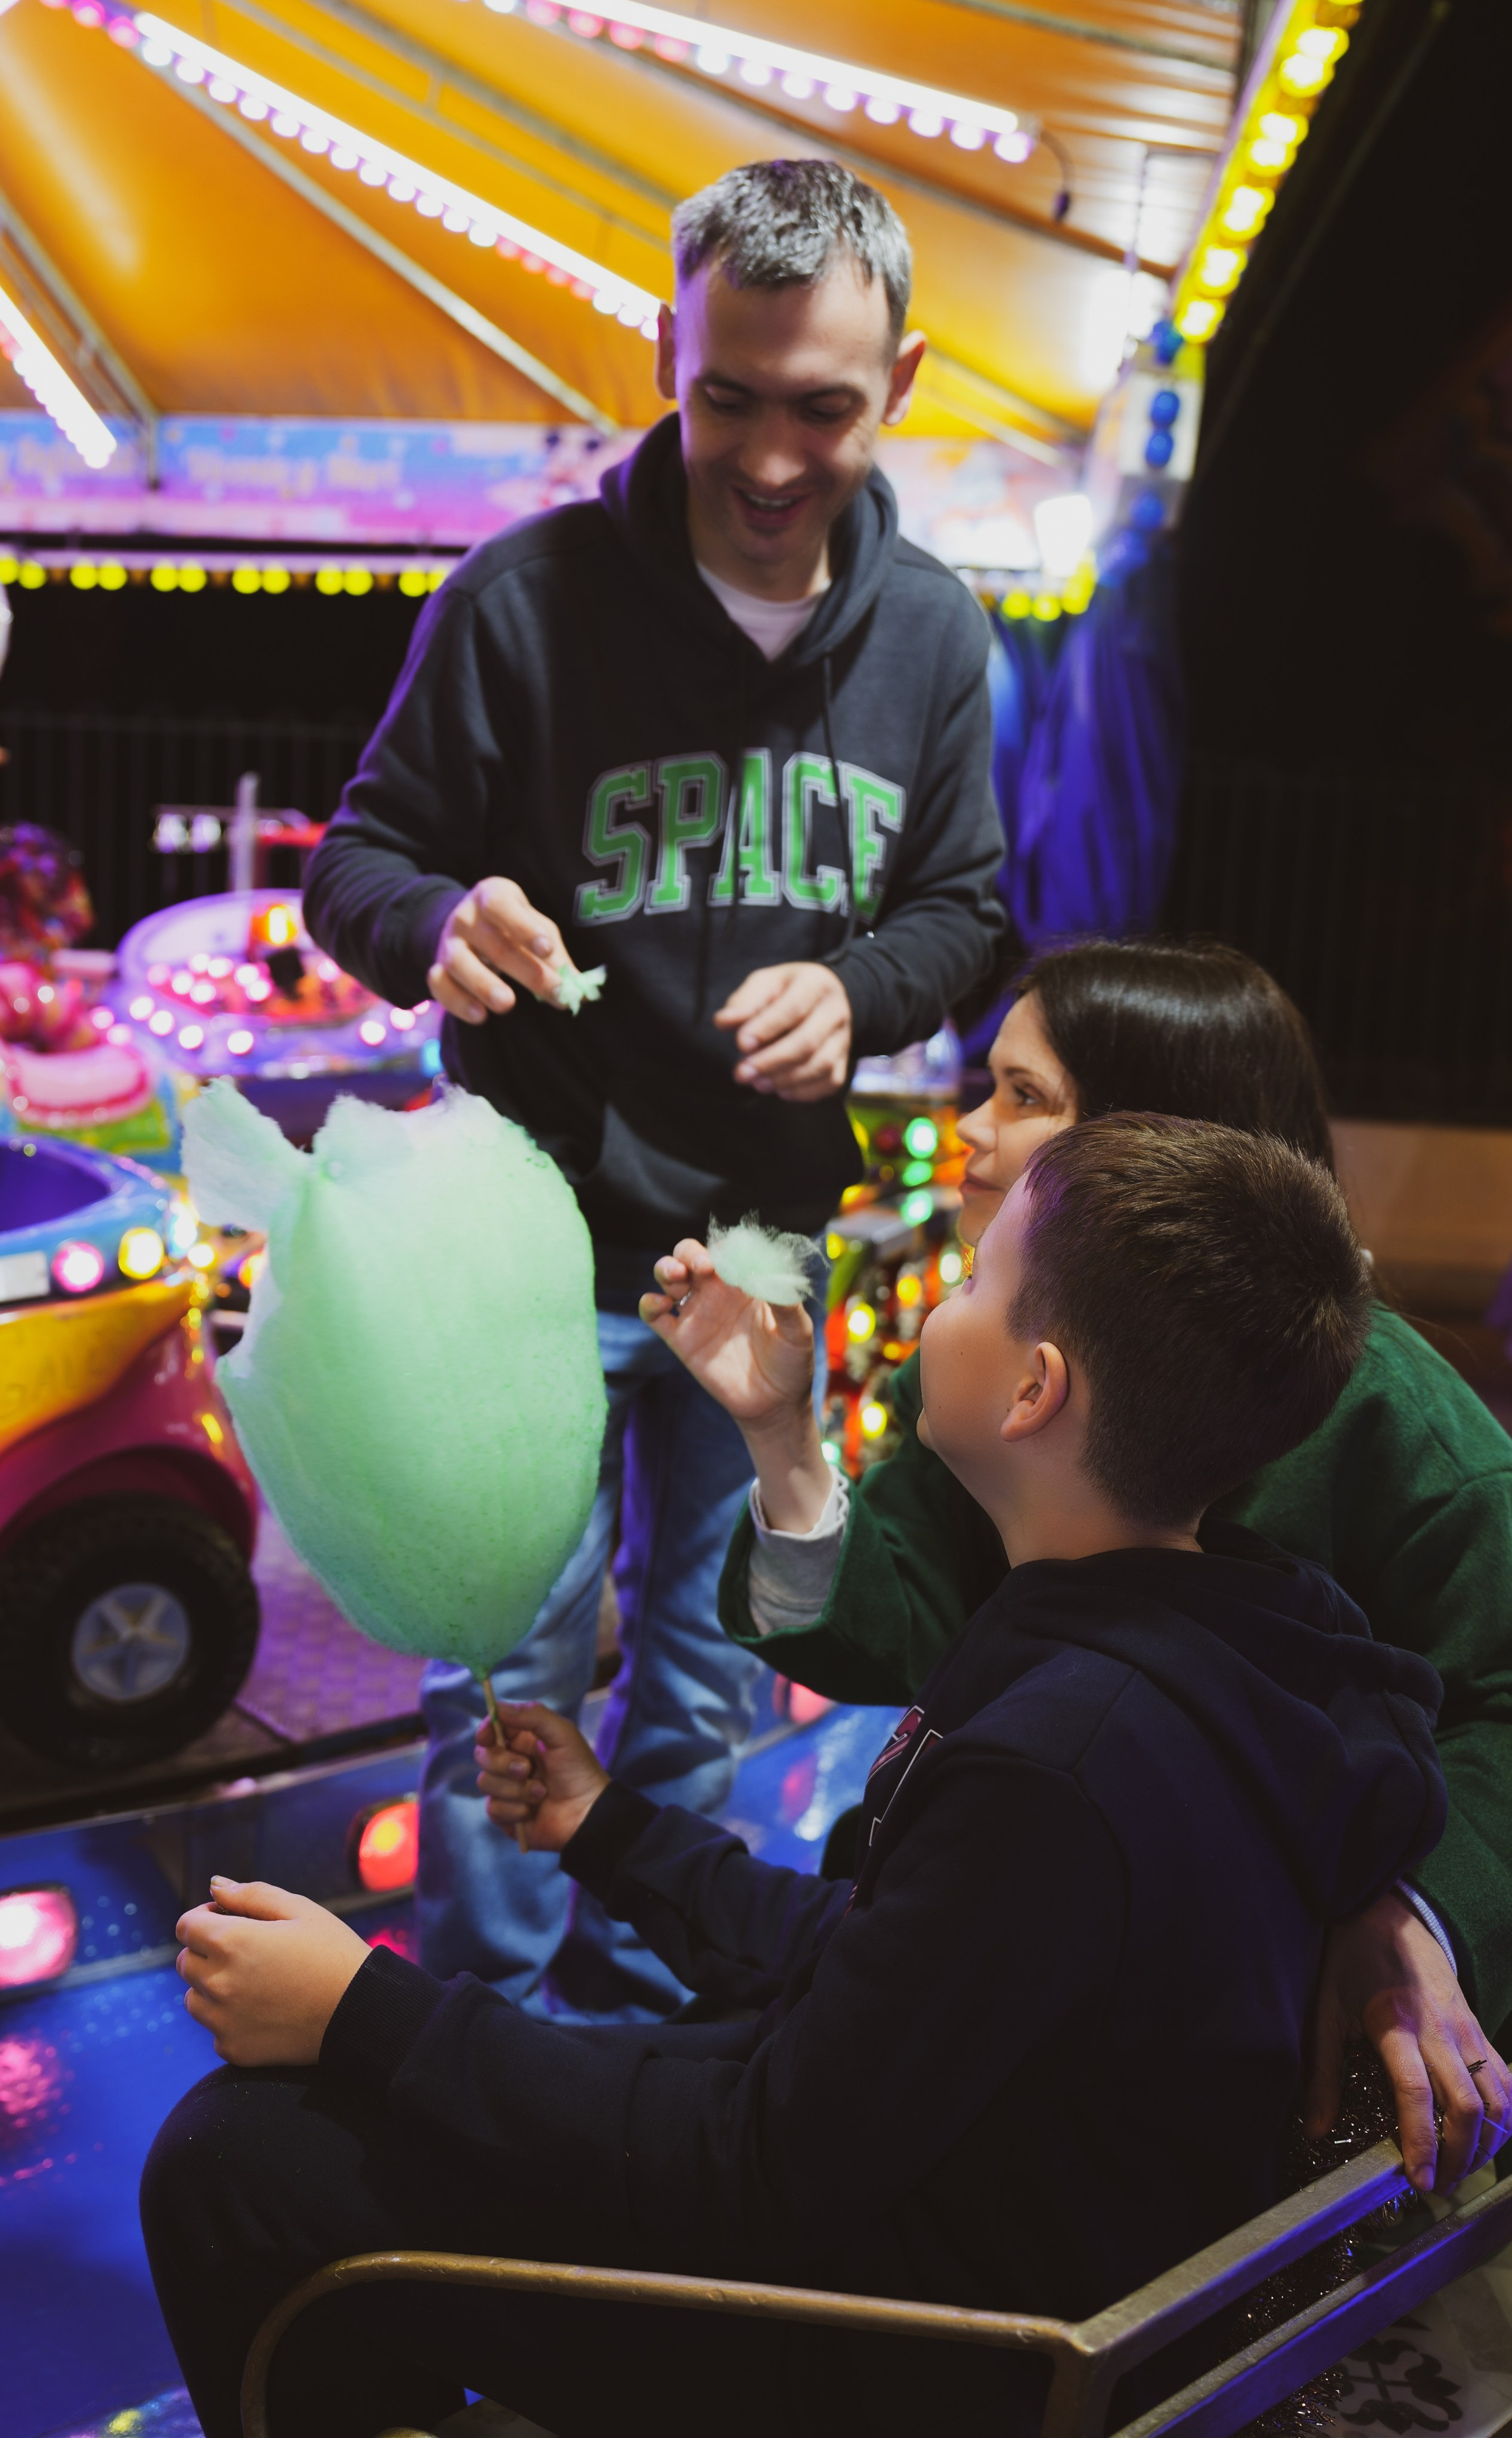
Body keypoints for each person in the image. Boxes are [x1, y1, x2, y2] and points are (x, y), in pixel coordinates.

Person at [143, 1114, 1473, 2438]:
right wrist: (609, 1830)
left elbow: (759, 2165)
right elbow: (885, 1959)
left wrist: (366, 2011)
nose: (943, 1299)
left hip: (938, 2353)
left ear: (1033, 1391)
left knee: (236, 2158)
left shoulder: (1062, 1763)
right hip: (968, 2201)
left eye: (974, 1281)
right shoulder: (1234, 1636)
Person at [302, 159, 1005, 2018]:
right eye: (727, 397)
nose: (768, 459)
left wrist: (858, 989)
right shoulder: (520, 600)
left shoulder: (935, 637)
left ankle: (644, 2021)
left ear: (903, 382)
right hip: (527, 1248)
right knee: (504, 1678)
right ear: (663, 354)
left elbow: (964, 909)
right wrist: (435, 919)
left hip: (759, 1248)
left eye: (822, 410)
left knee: (701, 1673)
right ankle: (476, 2031)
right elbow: (354, 864)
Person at [642, 938, 1512, 2187]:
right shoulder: (984, 1368)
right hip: (1005, 1963)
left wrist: (1404, 1900)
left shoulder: (1392, 1417)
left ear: (1155, 1149)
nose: (968, 1130)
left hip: (1219, 2071)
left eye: (1022, 1096)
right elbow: (884, 1629)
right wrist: (783, 1444)